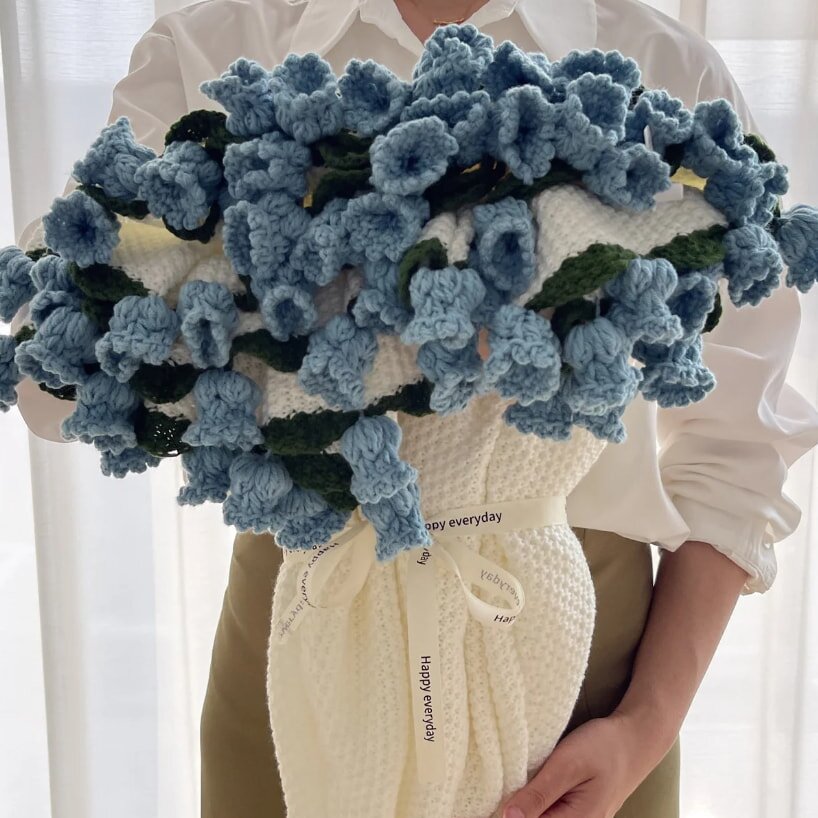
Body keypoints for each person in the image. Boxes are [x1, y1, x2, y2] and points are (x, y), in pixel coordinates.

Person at [10, 1, 818, 816]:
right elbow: (54, 371)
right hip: (301, 618)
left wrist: (644, 727)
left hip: (588, 676)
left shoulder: (658, 66)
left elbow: (737, 446)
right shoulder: (217, 46)